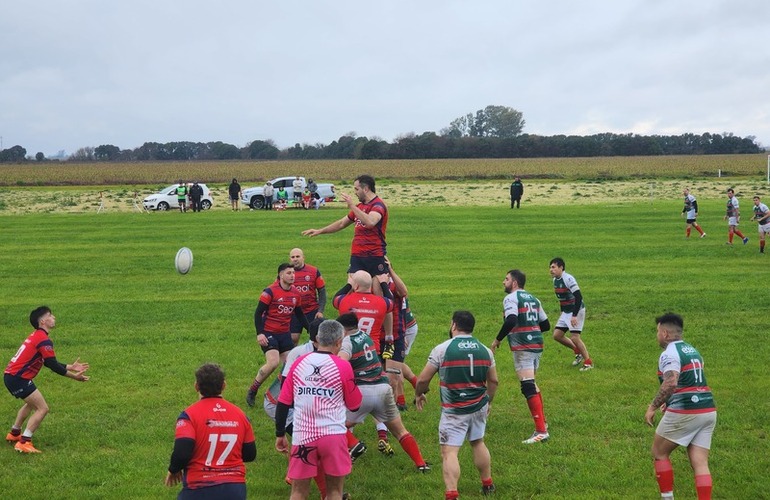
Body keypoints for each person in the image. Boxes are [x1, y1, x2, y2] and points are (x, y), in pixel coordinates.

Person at [275, 320, 363, 500]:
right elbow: (355, 405)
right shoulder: (343, 366)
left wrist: (280, 433)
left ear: (317, 338)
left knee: (298, 492)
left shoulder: (299, 363)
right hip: (333, 436)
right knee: (334, 492)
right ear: (339, 342)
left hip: (303, 436)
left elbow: (283, 402)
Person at [415, 311, 497, 499]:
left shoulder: (442, 349)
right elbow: (494, 381)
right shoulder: (485, 350)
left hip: (454, 409)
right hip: (479, 405)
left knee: (450, 452)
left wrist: (419, 393)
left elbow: (423, 379)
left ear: (453, 325)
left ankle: (452, 494)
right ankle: (488, 484)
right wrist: (488, 401)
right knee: (478, 442)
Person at [337, 313, 430, 472]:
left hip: (362, 393)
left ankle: (354, 446)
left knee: (332, 424)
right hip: (383, 389)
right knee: (400, 431)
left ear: (343, 329)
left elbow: (340, 363)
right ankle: (421, 464)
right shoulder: (365, 336)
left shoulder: (347, 342)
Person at [644, 313, 716, 500]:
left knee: (659, 452)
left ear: (666, 333)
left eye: (658, 331)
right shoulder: (692, 350)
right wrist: (669, 402)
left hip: (686, 410)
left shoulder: (669, 353)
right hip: (708, 410)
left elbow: (671, 382)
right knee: (700, 462)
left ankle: (667, 498)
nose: (657, 335)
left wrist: (653, 406)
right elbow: (690, 380)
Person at [4, 306, 89, 453]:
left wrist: (70, 366)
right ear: (43, 321)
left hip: (12, 377)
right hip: (18, 379)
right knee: (42, 408)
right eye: (50, 315)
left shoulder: (36, 336)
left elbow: (47, 361)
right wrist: (74, 377)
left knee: (30, 404)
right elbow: (52, 365)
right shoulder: (43, 340)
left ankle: (14, 434)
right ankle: (24, 442)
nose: (54, 317)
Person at [165, 363, 256, 499]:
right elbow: (250, 454)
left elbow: (182, 452)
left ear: (196, 386)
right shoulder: (240, 415)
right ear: (224, 385)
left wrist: (173, 469)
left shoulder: (189, 415)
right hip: (234, 490)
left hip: (199, 488)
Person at [490, 269, 551, 444]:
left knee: (527, 385)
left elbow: (510, 320)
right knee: (532, 383)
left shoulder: (511, 298)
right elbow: (545, 325)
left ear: (514, 283)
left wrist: (497, 340)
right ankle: (543, 423)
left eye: (506, 279)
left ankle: (541, 431)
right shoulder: (533, 298)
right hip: (537, 344)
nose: (504, 282)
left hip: (523, 345)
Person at [246, 263, 310, 407]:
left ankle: (279, 394)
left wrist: (311, 330)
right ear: (281, 275)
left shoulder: (295, 293)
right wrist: (260, 333)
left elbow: (300, 314)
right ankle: (252, 390)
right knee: (273, 363)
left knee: (292, 366)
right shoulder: (270, 291)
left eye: (293, 273)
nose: (292, 275)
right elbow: (258, 314)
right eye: (289, 273)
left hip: (284, 334)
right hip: (269, 333)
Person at [302, 174, 389, 280]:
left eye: (357, 189)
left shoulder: (377, 205)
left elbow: (370, 222)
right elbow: (341, 223)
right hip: (357, 255)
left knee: (377, 289)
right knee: (354, 286)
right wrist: (320, 231)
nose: (355, 192)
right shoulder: (360, 207)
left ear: (365, 189)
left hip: (374, 255)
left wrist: (352, 206)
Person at [333, 270, 395, 356]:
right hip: (372, 350)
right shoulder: (382, 303)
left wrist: (348, 285)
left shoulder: (344, 301)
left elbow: (335, 298)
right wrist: (383, 283)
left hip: (349, 349)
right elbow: (391, 301)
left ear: (356, 286)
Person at [548, 257, 594, 371]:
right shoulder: (555, 280)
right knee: (557, 335)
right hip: (566, 311)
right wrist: (562, 312)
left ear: (561, 267)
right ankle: (577, 352)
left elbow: (578, 297)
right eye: (550, 267)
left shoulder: (568, 279)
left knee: (575, 337)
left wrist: (574, 315)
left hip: (576, 310)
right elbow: (562, 298)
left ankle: (588, 362)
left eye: (553, 267)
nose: (551, 270)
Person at [289, 248, 327, 345]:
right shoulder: (287, 273)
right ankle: (293, 358)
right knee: (293, 338)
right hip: (294, 312)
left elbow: (322, 291)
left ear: (303, 257)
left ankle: (317, 357)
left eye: (298, 256)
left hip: (311, 311)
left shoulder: (313, 271)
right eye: (293, 257)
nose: (295, 259)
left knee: (318, 337)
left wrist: (320, 311)